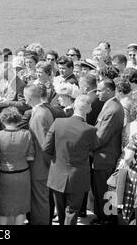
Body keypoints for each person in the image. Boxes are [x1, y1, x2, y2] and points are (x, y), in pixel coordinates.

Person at [43, 95, 98, 225]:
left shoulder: (58, 123)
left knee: (61, 212)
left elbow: (46, 147)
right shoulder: (90, 130)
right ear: (89, 109)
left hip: (57, 174)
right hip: (78, 176)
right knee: (72, 212)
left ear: (74, 106)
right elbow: (94, 147)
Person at [0, 107, 35, 225]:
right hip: (23, 174)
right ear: (18, 119)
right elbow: (30, 157)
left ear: (3, 120)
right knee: (21, 209)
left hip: (5, 176)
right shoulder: (26, 134)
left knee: (3, 209)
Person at [91, 79, 124, 225]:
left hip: (105, 157)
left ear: (109, 91)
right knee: (101, 191)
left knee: (105, 191)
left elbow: (100, 137)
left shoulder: (112, 109)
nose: (97, 93)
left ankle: (106, 220)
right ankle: (102, 218)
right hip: (103, 156)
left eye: (99, 90)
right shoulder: (110, 105)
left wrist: (86, 144)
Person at [23, 84, 53, 225]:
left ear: (28, 98)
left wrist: (48, 166)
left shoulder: (39, 115)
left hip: (40, 166)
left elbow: (44, 145)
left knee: (40, 200)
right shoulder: (43, 111)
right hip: (42, 165)